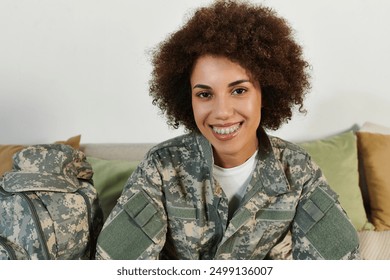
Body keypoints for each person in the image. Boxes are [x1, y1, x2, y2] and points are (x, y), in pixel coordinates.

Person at [96, 0, 360, 260]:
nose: (222, 112)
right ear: (187, 98)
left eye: (239, 90)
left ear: (264, 93)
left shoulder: (298, 172)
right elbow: (116, 266)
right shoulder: (161, 168)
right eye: (204, 94)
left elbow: (342, 266)